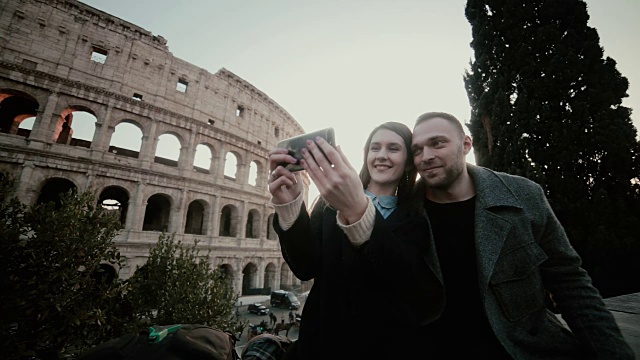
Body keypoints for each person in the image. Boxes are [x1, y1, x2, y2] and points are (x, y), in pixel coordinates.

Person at [400, 111, 633, 358]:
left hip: (527, 350)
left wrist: (615, 354)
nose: (426, 156)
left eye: (438, 143)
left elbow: (570, 282)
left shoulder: (523, 196)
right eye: (417, 150)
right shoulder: (403, 214)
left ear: (466, 144)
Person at [268, 122, 442, 360]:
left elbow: (406, 286)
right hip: (320, 344)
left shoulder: (417, 219)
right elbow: (305, 267)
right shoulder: (329, 203)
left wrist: (359, 212)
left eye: (393, 148)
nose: (381, 155)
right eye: (375, 148)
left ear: (408, 161)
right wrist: (290, 207)